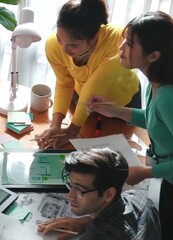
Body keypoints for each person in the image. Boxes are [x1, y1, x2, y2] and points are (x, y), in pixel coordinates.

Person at [88, 11, 173, 240]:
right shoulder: (158, 81)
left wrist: (147, 172)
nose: (121, 49)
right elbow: (157, 119)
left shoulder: (170, 97)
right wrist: (114, 110)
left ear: (153, 55)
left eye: (129, 45)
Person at [35, 0, 140, 149]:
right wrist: (55, 125)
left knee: (119, 145)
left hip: (122, 101)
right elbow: (65, 83)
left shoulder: (117, 40)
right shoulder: (53, 45)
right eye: (60, 39)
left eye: (73, 45)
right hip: (82, 100)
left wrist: (73, 130)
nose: (64, 49)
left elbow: (95, 87)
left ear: (94, 37)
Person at [37, 147, 161, 240]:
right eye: (71, 185)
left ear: (108, 194)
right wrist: (87, 222)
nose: (69, 196)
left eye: (79, 190)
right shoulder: (139, 199)